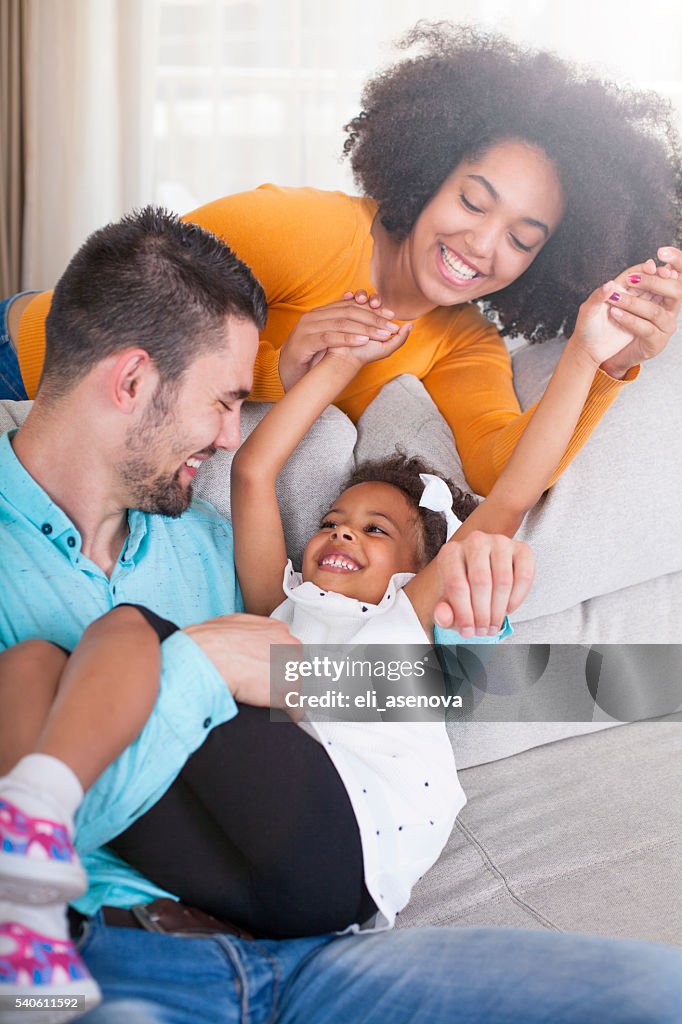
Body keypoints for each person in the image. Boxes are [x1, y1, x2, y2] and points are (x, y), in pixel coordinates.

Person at [1, 208, 682, 1024]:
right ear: (133, 380)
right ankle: (29, 871)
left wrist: (586, 359)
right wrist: (208, 661)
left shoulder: (275, 585)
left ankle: (36, 830)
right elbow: (256, 472)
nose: (227, 434)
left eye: (375, 531)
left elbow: (502, 533)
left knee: (652, 993)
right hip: (132, 956)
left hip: (320, 933)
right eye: (225, 401)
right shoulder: (280, 605)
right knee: (42, 661)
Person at [4, 24, 682, 497]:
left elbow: (505, 477)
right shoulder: (303, 228)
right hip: (30, 356)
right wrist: (280, 366)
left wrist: (600, 361)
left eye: (522, 239)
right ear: (430, 173)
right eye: (474, 202)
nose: (482, 245)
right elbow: (115, 302)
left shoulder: (460, 345)